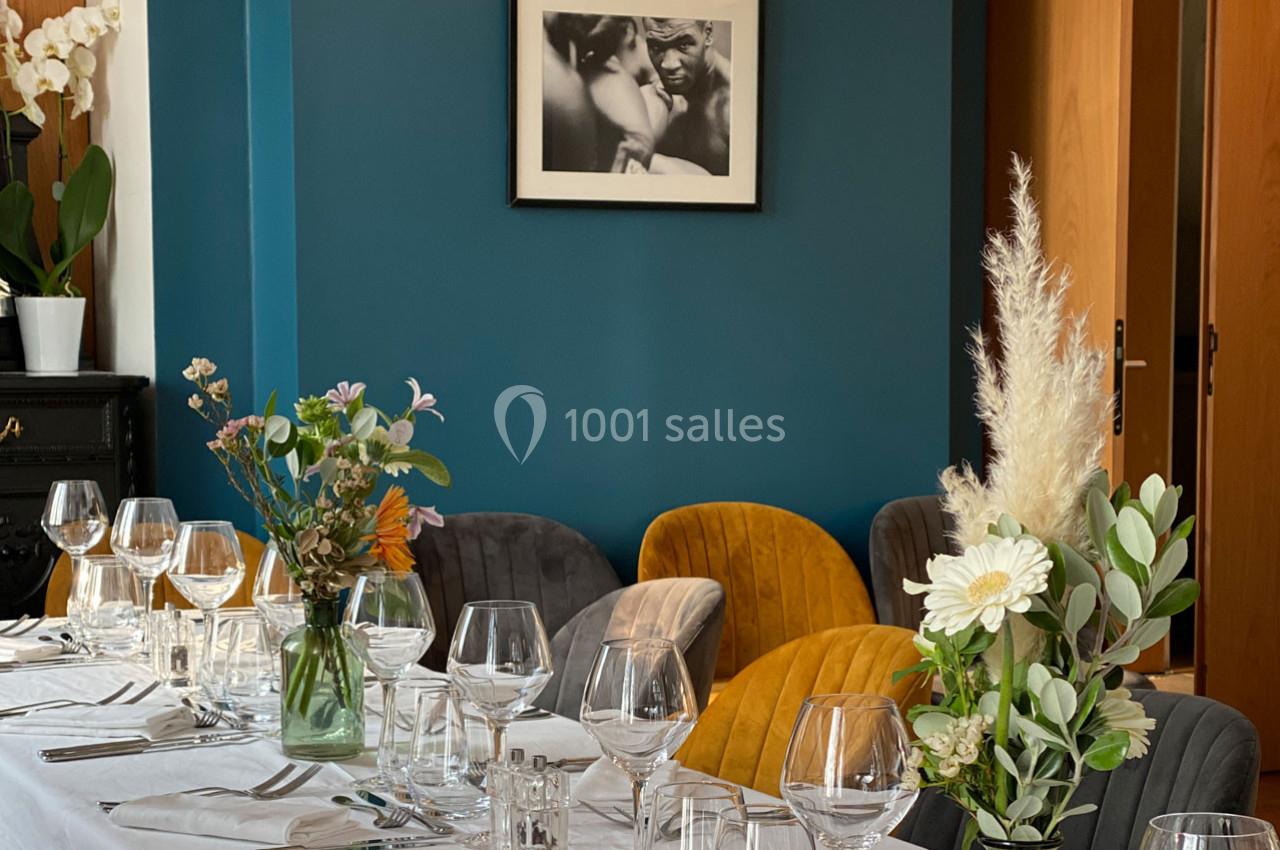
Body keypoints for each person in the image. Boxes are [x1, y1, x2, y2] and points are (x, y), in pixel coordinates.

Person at [641, 17, 732, 176]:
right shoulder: (650, 78)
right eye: (656, 46)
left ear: (708, 34)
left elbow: (741, 194)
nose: (668, 65)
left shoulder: (732, 106)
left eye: (683, 45)